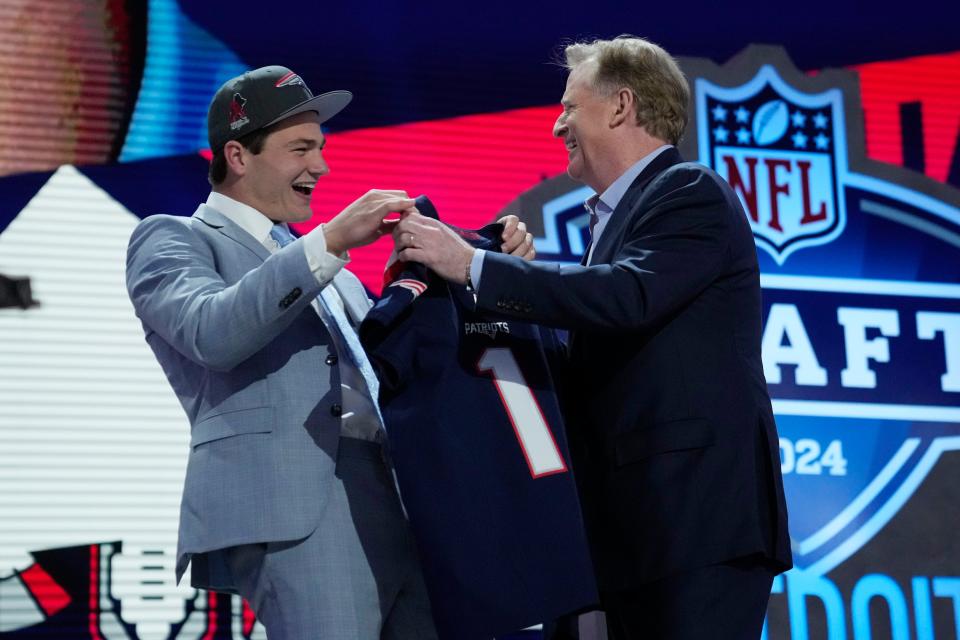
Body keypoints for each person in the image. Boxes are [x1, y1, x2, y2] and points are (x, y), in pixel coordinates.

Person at [392, 37, 793, 639]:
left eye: (569, 107)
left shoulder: (690, 191)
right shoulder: (619, 221)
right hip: (636, 531)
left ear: (621, 106)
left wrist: (475, 268)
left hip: (696, 524)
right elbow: (596, 352)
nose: (557, 126)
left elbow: (627, 295)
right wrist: (500, 286)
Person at [125, 65, 533, 639]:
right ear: (238, 156)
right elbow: (210, 332)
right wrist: (332, 240)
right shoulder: (172, 237)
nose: (321, 165)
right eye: (300, 149)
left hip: (401, 491)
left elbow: (395, 360)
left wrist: (477, 263)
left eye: (320, 147)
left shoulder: (323, 266)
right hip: (300, 503)